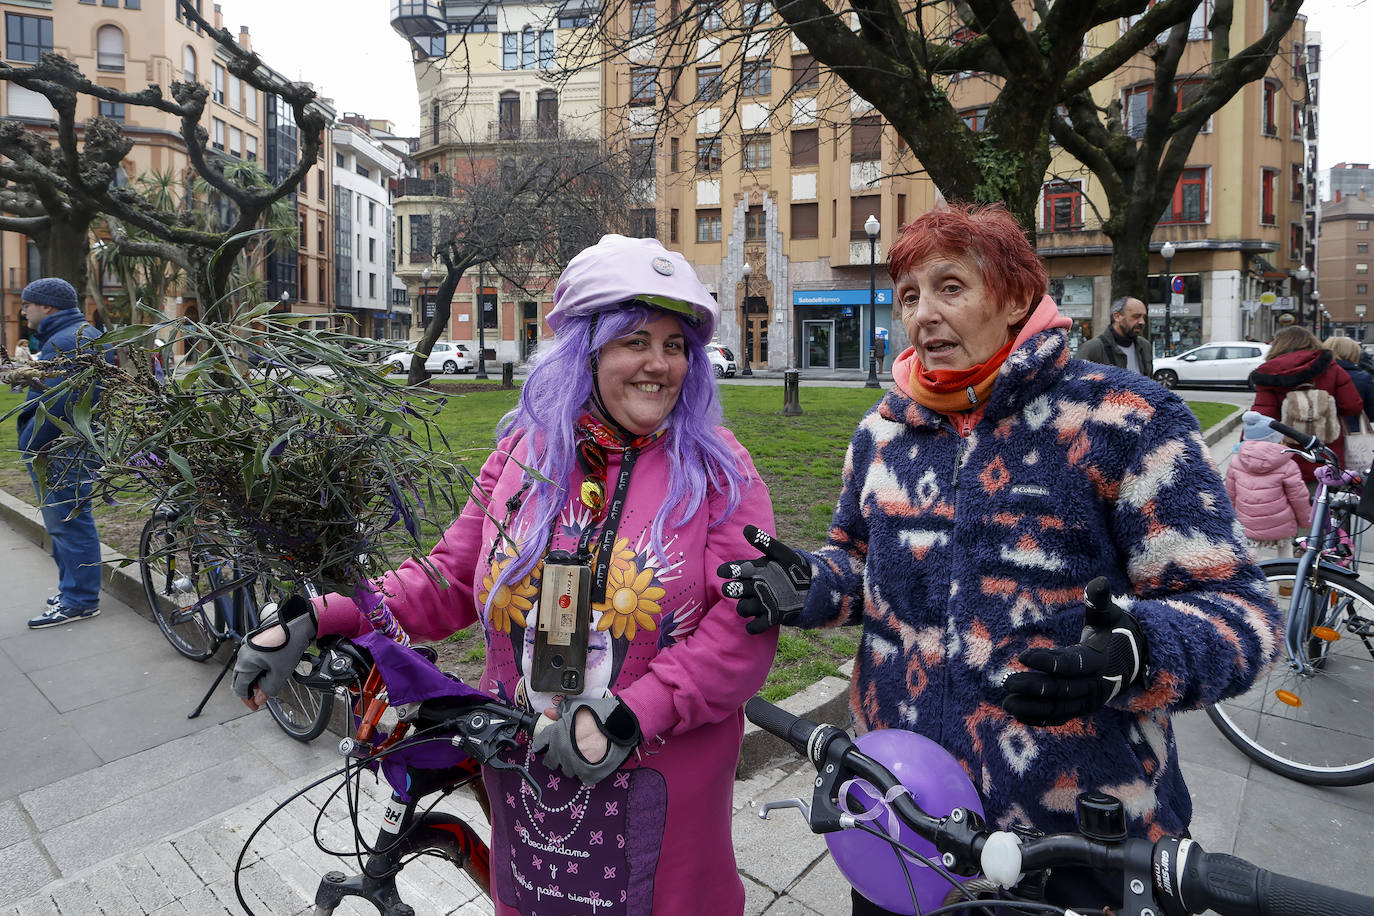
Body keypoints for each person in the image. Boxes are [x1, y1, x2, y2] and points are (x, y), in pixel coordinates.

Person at [720, 203, 1279, 914]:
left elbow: (1242, 616)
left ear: (1016, 298)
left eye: (950, 287)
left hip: (1077, 845)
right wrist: (807, 584)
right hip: (902, 818)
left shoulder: (1128, 420)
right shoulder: (882, 433)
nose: (923, 315)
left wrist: (1135, 652)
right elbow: (859, 567)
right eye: (910, 296)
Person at [231, 235, 779, 915]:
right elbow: (454, 574)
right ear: (588, 347)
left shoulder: (720, 470)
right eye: (636, 339)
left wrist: (632, 716)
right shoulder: (523, 453)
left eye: (675, 346)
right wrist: (322, 612)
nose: (660, 364)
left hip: (660, 792)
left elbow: (740, 637)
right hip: (527, 774)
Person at [13, 278, 109, 629]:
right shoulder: (78, 334)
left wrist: (30, 443)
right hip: (68, 449)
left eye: (27, 305)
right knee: (65, 524)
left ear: (47, 307)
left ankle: (80, 600)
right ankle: (73, 589)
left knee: (69, 524)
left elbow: (60, 406)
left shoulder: (69, 340)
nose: (24, 312)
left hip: (58, 451)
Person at [1250, 326, 1361, 481]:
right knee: (1327, 498)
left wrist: (1246, 443)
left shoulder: (1268, 372)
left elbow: (1262, 416)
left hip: (1288, 454)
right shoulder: (1331, 367)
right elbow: (1352, 406)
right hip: (1327, 451)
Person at [1226, 411, 1311, 560]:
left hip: (1248, 520)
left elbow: (1230, 493)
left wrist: (1230, 518)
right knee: (1285, 550)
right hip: (1281, 522)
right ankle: (1286, 581)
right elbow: (1299, 497)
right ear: (1275, 437)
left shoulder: (1236, 461)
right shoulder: (1287, 464)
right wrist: (1305, 520)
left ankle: (1248, 579)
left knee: (1250, 552)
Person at [1076, 296, 1153, 376]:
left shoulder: (1145, 346)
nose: (1142, 322)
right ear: (1117, 316)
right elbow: (1077, 383)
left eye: (1144, 317)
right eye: (1136, 316)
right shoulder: (1092, 348)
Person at [1322, 335, 1374, 432]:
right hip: (1352, 433)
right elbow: (1371, 411)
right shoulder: (1363, 378)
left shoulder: (1316, 375)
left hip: (1320, 432)